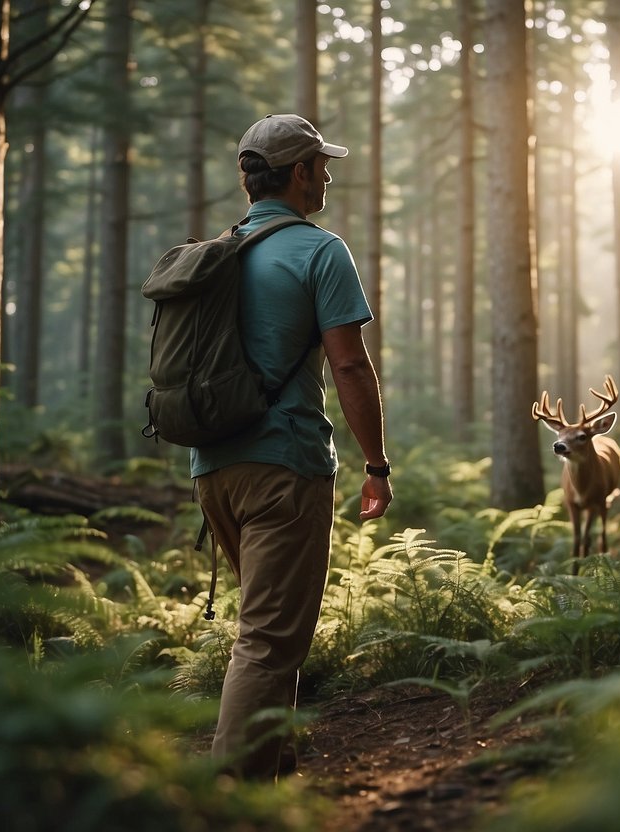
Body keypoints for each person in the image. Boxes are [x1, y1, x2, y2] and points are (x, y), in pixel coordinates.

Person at [192, 113, 393, 779]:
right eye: (320, 163)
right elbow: (350, 368)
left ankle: (275, 772)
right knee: (269, 638)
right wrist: (376, 465)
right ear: (298, 172)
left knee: (272, 633)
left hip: (213, 469)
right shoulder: (318, 250)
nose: (329, 175)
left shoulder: (217, 252)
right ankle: (234, 798)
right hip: (286, 470)